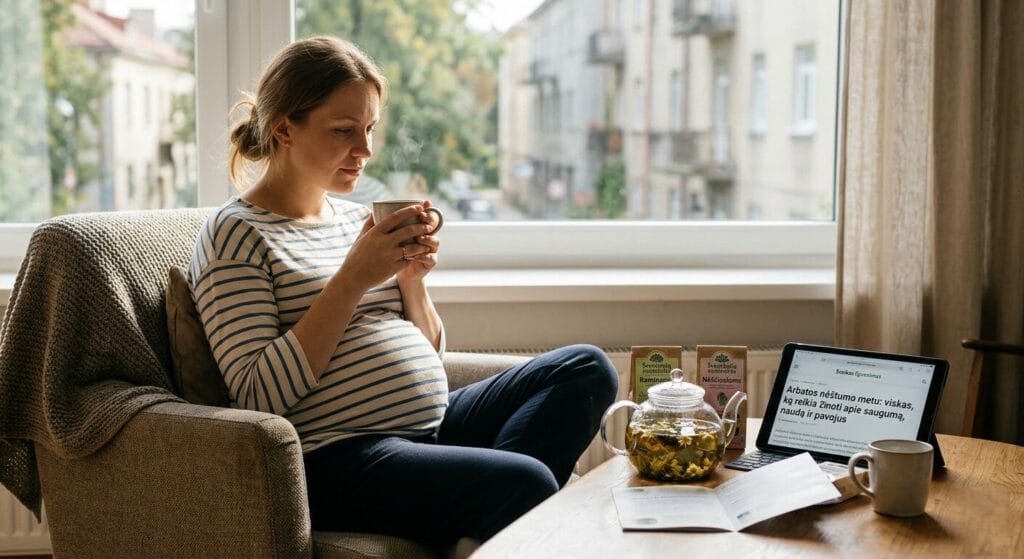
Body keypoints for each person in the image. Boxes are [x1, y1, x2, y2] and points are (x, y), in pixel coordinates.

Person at [187, 36, 618, 549]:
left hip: (427, 430)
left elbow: (429, 356)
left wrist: (412, 283)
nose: (365, 151)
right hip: (334, 459)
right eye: (344, 131)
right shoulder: (235, 234)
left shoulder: (356, 219)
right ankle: (491, 518)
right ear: (285, 129)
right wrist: (351, 279)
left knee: (587, 370)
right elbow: (258, 394)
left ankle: (480, 528)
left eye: (368, 129)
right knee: (526, 482)